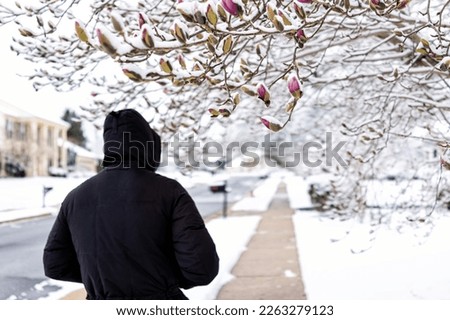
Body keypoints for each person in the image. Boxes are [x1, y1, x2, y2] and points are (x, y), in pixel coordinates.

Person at [43, 109, 219, 300]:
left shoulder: (75, 198)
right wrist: (162, 281)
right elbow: (201, 268)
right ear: (149, 147)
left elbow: (55, 264)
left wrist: (104, 280)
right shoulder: (169, 191)